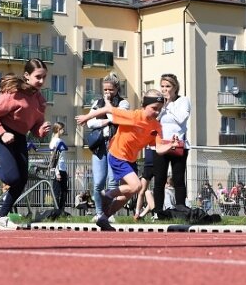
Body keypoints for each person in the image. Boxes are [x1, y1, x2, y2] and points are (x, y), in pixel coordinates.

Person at [75, 89, 177, 230]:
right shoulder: (133, 116)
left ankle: (104, 218)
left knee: (127, 195)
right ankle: (107, 194)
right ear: (144, 106)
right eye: (154, 108)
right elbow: (108, 109)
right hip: (117, 154)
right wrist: (87, 117)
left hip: (130, 159)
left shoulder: (156, 126)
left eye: (160, 109)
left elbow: (159, 149)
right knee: (136, 186)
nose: (157, 112)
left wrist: (170, 145)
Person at [0, 59, 52, 230]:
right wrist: (2, 133)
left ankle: (1, 217)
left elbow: (34, 127)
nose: (41, 81)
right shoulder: (14, 94)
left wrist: (41, 130)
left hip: (20, 138)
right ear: (26, 76)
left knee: (22, 180)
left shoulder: (39, 100)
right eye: (38, 77)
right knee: (12, 178)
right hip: (3, 136)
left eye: (44, 77)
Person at [86, 71, 129, 225]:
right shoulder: (97, 103)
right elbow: (90, 123)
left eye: (111, 89)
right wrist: (105, 121)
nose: (107, 92)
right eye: (105, 90)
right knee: (98, 182)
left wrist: (106, 113)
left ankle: (108, 213)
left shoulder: (123, 103)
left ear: (117, 89)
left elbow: (117, 117)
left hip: (115, 145)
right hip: (99, 146)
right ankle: (98, 213)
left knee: (112, 182)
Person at [152, 73, 191, 215]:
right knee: (159, 180)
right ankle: (157, 211)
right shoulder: (160, 103)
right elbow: (153, 119)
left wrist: (168, 105)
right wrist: (162, 107)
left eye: (168, 86)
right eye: (162, 86)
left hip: (178, 144)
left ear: (175, 88)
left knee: (178, 178)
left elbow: (181, 119)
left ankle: (181, 209)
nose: (164, 89)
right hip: (161, 144)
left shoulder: (183, 101)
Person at [49, 121, 69, 216]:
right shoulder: (54, 141)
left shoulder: (61, 141)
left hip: (62, 169)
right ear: (58, 129)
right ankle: (56, 212)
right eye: (62, 128)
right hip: (57, 170)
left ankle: (61, 211)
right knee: (57, 192)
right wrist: (56, 172)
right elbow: (53, 158)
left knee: (64, 191)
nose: (64, 130)